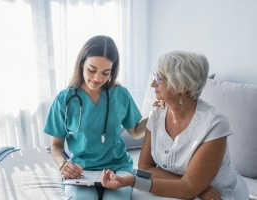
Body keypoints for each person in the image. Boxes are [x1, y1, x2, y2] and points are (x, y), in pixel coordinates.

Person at [101, 50, 249, 200]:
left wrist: (134, 181)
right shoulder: (158, 112)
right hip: (199, 191)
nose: (153, 84)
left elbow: (188, 188)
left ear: (182, 86)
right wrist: (200, 188)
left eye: (159, 79)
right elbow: (146, 167)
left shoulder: (214, 125)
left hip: (218, 195)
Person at [44, 35, 147, 200]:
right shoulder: (64, 99)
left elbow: (135, 132)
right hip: (81, 169)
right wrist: (64, 164)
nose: (98, 78)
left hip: (117, 167)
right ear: (81, 64)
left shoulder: (120, 94)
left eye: (106, 72)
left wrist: (156, 115)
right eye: (92, 70)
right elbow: (56, 146)